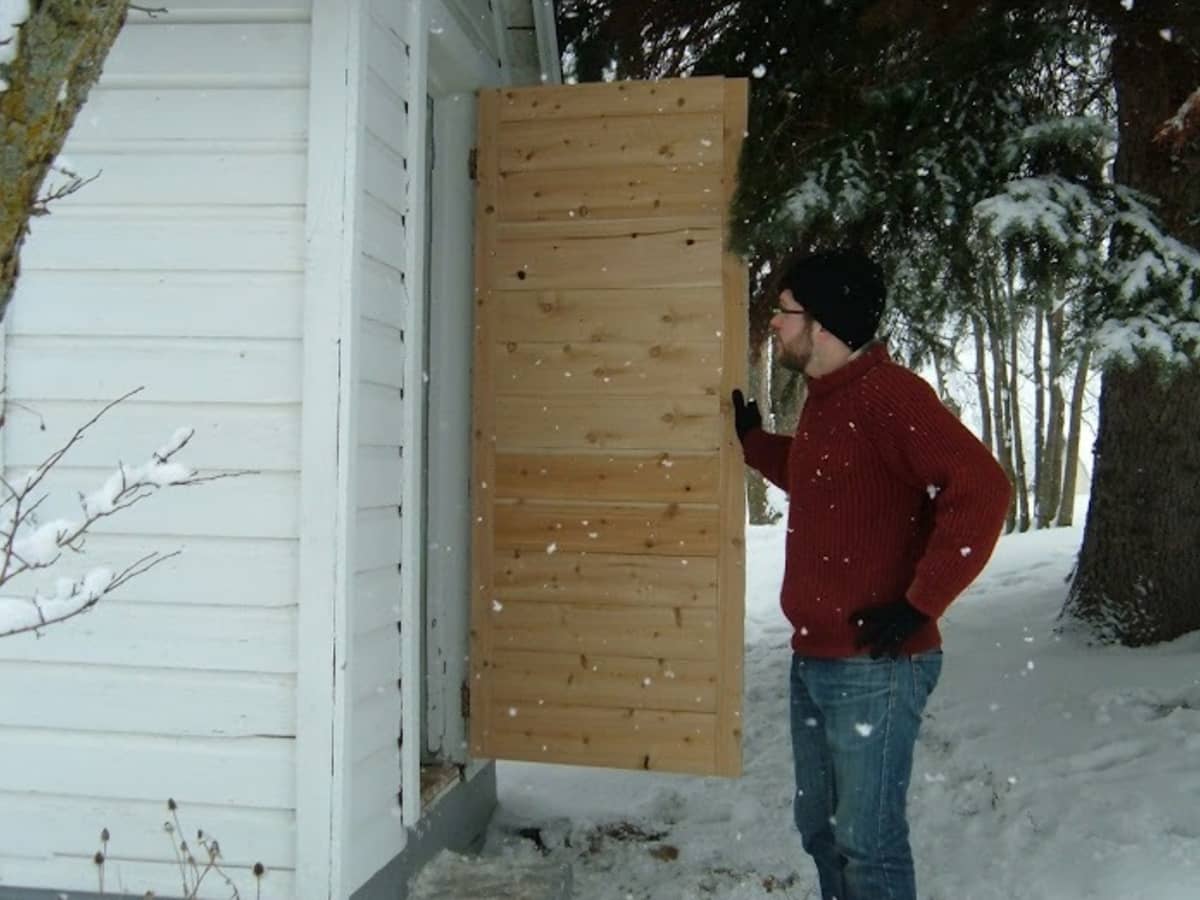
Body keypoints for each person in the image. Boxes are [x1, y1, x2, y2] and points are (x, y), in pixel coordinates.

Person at [731, 248, 1011, 900]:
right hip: (819, 656)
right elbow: (825, 481)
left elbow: (982, 489)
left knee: (867, 840)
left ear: (821, 324)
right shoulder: (829, 401)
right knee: (822, 831)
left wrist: (921, 604)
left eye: (785, 311)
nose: (775, 323)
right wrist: (754, 444)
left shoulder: (888, 396)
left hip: (878, 666)